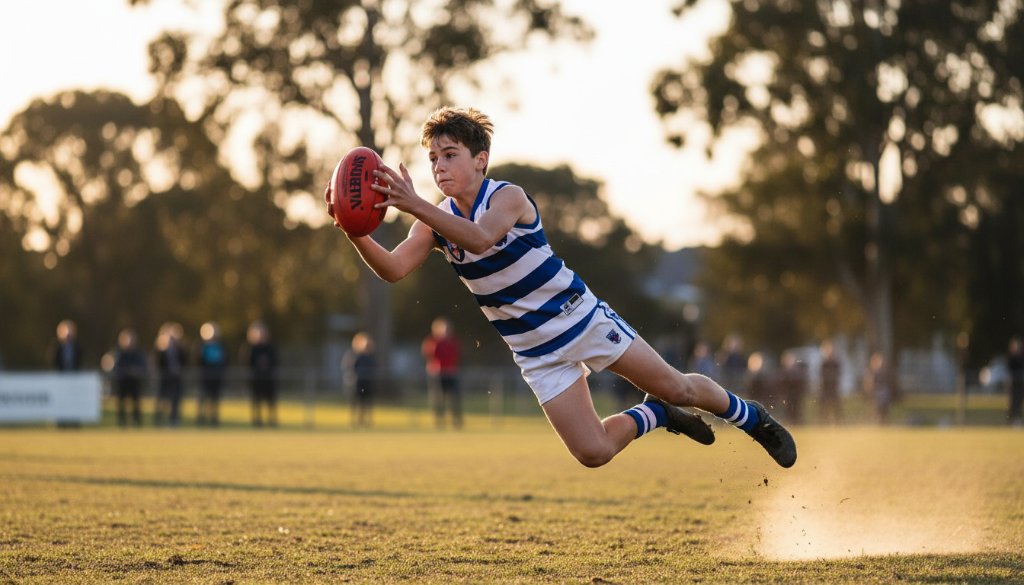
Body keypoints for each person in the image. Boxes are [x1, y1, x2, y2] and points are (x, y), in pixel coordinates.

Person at [324, 107, 796, 468]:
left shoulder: (506, 198)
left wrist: (414, 205)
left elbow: (483, 237)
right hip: (534, 352)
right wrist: (353, 229)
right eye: (432, 159)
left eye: (450, 155)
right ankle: (656, 417)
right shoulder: (433, 223)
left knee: (677, 386)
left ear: (480, 160)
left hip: (579, 318)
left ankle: (751, 417)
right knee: (593, 453)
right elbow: (391, 270)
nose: (439, 167)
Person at [421, 316, 463, 429]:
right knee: (438, 399)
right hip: (438, 374)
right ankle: (439, 421)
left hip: (450, 373)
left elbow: (456, 355)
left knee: (454, 397)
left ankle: (456, 421)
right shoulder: (432, 342)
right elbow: (429, 355)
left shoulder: (453, 341)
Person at [244, 321, 278, 427]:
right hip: (256, 379)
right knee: (256, 400)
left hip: (268, 378)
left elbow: (275, 361)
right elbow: (247, 362)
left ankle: (271, 420)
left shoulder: (270, 348)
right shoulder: (251, 348)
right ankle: (257, 420)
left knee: (270, 400)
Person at [112, 328, 147, 427]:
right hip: (122, 382)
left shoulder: (138, 353)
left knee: (136, 403)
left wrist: (136, 371)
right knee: (121, 402)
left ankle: (137, 422)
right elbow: (116, 367)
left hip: (134, 381)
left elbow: (143, 366)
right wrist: (126, 371)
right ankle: (121, 422)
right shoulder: (118, 353)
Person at [154, 322, 186, 427]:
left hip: (176, 379)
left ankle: (174, 420)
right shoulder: (160, 351)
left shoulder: (180, 350)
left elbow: (185, 362)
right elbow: (157, 364)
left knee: (176, 400)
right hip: (164, 379)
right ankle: (159, 420)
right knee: (162, 401)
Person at [197, 321, 228, 427]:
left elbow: (224, 361)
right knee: (203, 398)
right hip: (205, 377)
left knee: (215, 399)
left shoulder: (220, 346)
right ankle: (201, 418)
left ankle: (214, 418)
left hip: (216, 377)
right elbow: (198, 361)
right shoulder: (201, 346)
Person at [343, 332, 376, 428]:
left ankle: (365, 420)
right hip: (356, 383)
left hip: (367, 382)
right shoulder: (354, 355)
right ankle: (354, 420)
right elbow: (348, 367)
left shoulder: (369, 357)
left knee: (366, 402)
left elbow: (374, 367)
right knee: (355, 402)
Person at [865, 351, 895, 425]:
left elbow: (889, 381)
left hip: (884, 391)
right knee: (877, 408)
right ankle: (877, 422)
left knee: (884, 408)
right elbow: (869, 383)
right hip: (876, 392)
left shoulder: (885, 371)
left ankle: (884, 422)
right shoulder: (871, 372)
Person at [818, 340, 842, 425]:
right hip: (825, 387)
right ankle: (823, 421)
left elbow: (839, 373)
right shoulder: (823, 363)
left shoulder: (836, 362)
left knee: (836, 406)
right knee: (824, 406)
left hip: (834, 387)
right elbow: (821, 375)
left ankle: (838, 421)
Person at [1007, 337, 1024, 426]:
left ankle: (1018, 418)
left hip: (1020, 383)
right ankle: (1012, 419)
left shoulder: (1021, 357)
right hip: (1014, 383)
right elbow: (1010, 370)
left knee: (1019, 401)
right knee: (1014, 401)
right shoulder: (1012, 357)